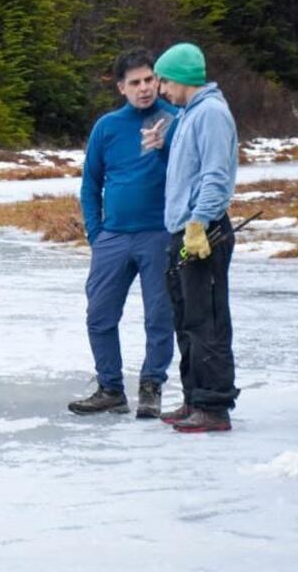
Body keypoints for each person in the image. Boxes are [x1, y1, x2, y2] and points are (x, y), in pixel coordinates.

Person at [69, 48, 178, 419]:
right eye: (135, 83)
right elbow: (90, 183)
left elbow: (187, 174)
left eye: (149, 80)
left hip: (159, 235)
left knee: (159, 317)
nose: (144, 88)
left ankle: (151, 387)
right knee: (99, 315)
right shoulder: (107, 127)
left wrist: (164, 149)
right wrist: (96, 234)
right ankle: (110, 389)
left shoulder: (175, 118)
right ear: (121, 88)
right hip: (113, 238)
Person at [154, 42, 240, 432]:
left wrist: (198, 222)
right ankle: (194, 397)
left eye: (164, 80)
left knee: (207, 320)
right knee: (188, 319)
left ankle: (214, 406)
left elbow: (215, 176)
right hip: (183, 232)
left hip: (204, 232)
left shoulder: (211, 114)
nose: (160, 89)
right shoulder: (189, 114)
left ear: (181, 78)